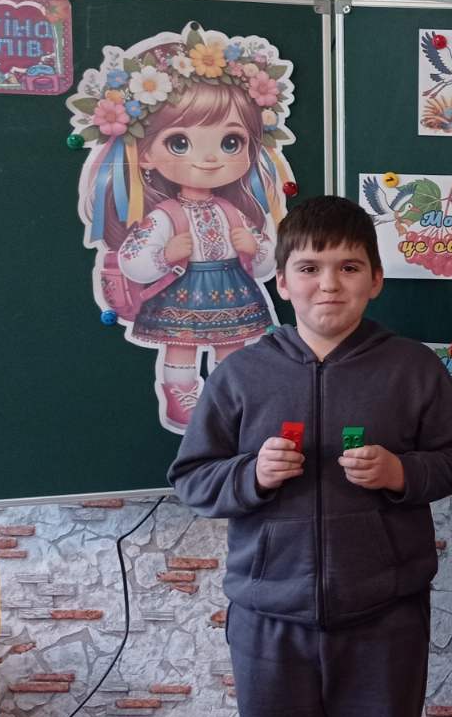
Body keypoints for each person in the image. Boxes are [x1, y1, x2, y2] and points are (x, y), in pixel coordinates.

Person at [170, 195, 452, 717]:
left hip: (385, 618)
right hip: (269, 620)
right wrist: (251, 475)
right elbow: (192, 478)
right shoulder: (242, 373)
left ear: (376, 279)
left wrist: (400, 471)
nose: (329, 284)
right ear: (282, 281)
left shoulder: (412, 368)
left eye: (349, 267)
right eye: (309, 268)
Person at [71, 24, 296, 431]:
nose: (209, 159)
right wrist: (163, 255)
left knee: (232, 347)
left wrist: (255, 249)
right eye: (180, 143)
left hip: (231, 287)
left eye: (230, 143)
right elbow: (134, 260)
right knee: (181, 347)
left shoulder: (232, 211)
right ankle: (182, 396)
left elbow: (267, 265)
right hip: (181, 289)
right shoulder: (164, 215)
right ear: (144, 154)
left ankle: (230, 395)